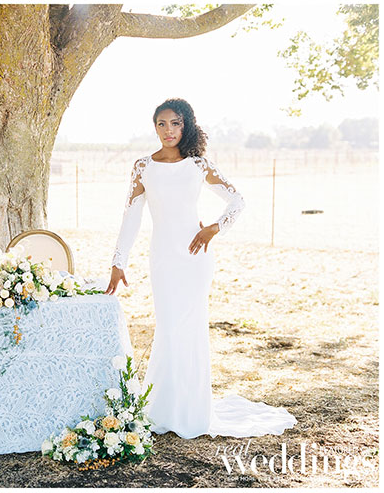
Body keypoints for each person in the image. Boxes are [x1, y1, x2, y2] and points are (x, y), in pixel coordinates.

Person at [105, 98, 297, 439]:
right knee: (168, 329)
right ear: (154, 127)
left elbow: (237, 200)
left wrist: (214, 228)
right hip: (163, 259)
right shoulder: (143, 167)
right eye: (161, 124)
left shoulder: (198, 165)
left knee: (189, 330)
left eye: (175, 123)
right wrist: (119, 262)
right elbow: (131, 216)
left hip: (195, 259)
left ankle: (191, 411)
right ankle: (163, 408)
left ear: (186, 126)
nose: (168, 130)